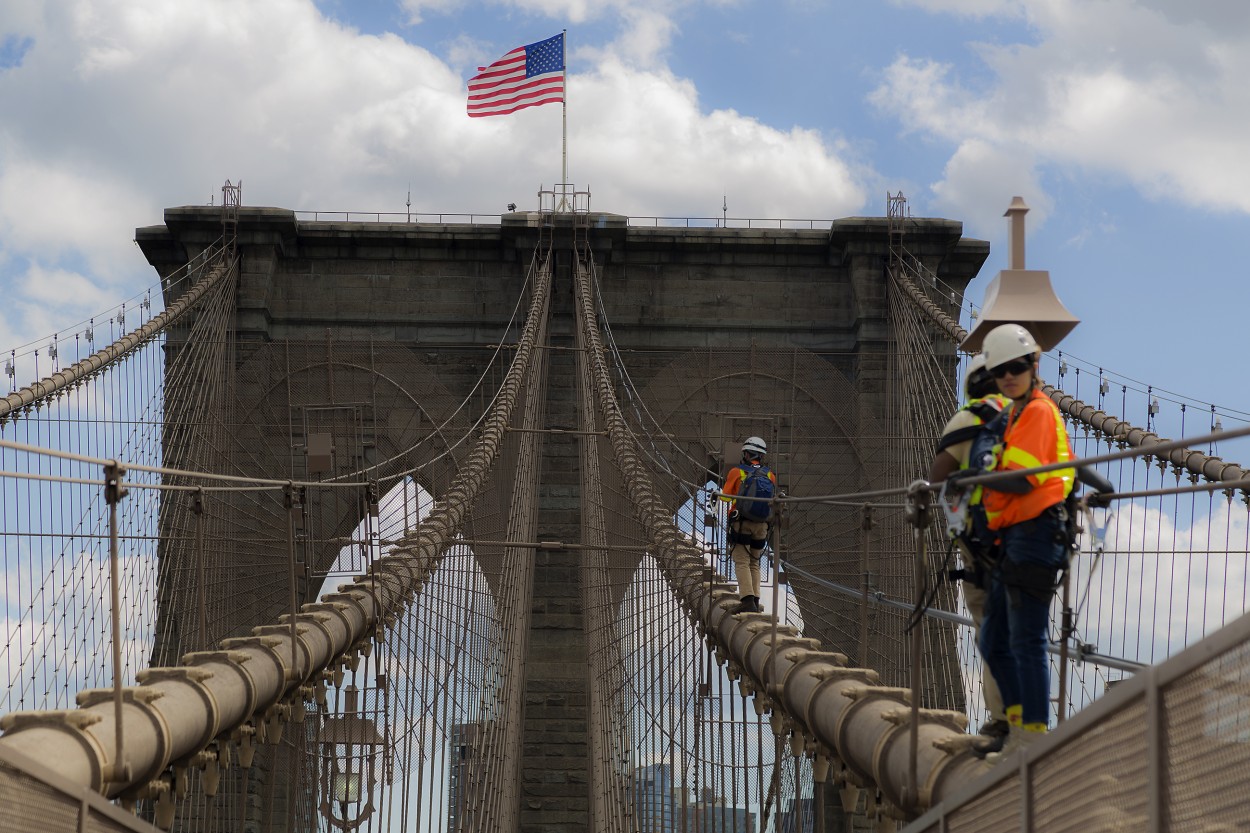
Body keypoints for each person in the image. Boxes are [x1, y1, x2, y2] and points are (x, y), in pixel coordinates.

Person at [976, 323, 1075, 760]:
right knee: (994, 639)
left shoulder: (1036, 412)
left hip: (1036, 536)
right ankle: (1018, 731)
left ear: (1034, 365)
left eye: (1017, 367)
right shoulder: (1012, 415)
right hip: (1014, 539)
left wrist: (976, 477)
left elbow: (1022, 479)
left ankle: (1033, 741)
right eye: (1000, 371)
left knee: (1026, 641)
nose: (1009, 376)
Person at [928, 354, 1010, 753]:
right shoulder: (1030, 417)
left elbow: (936, 478)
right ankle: (1033, 721)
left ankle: (1002, 723)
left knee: (989, 625)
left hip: (983, 545)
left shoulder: (969, 419)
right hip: (1029, 539)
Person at [720, 436, 777, 614]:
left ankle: (746, 600)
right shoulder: (770, 475)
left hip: (741, 523)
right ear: (761, 456)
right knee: (754, 562)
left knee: (742, 561)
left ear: (746, 453)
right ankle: (755, 598)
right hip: (762, 526)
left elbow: (725, 497)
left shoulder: (737, 472)